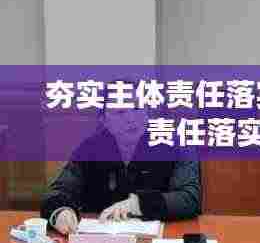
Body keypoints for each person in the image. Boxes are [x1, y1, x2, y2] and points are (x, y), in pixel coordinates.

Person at [41, 95, 201, 235]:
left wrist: (138, 204)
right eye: (120, 112)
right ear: (104, 120)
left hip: (161, 239)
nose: (131, 119)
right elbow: (58, 191)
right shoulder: (90, 149)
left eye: (137, 108)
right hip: (100, 241)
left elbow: (189, 198)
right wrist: (60, 212)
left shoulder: (175, 144)